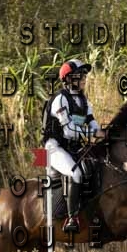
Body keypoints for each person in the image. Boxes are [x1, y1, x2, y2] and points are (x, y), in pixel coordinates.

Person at [42, 59, 103, 233]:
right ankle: (72, 218)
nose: (84, 78)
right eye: (79, 76)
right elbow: (68, 131)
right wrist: (93, 133)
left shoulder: (84, 100)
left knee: (97, 166)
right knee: (75, 173)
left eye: (84, 75)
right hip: (54, 148)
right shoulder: (60, 99)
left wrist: (103, 132)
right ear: (68, 79)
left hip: (73, 147)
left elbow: (92, 122)